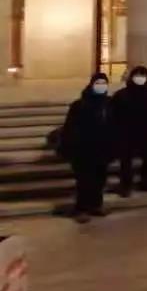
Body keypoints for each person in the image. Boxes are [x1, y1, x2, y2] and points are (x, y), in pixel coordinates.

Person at [59, 74, 115, 223]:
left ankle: (96, 205)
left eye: (104, 83)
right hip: (83, 149)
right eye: (98, 82)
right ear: (91, 84)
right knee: (84, 181)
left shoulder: (109, 104)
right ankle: (81, 209)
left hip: (102, 148)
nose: (101, 85)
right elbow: (70, 127)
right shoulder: (79, 105)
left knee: (100, 179)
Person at [111, 66, 147, 196]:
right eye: (137, 75)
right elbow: (114, 114)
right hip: (127, 133)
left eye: (142, 75)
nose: (140, 78)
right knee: (125, 161)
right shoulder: (121, 95)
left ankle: (146, 182)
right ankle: (126, 184)